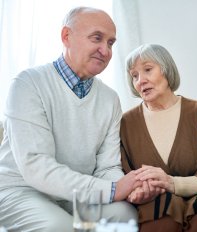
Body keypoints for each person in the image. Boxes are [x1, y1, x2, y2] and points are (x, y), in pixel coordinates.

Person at [0, 7, 139, 232]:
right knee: (61, 227)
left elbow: (107, 167)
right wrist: (113, 190)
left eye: (111, 43)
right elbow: (37, 167)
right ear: (66, 37)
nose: (105, 50)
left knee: (125, 215)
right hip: (21, 191)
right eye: (97, 38)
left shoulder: (110, 99)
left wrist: (126, 188)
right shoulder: (27, 84)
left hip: (75, 197)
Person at [120, 43, 197, 232]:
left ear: (166, 69)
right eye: (135, 76)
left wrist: (173, 183)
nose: (140, 81)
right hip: (154, 206)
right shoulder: (126, 123)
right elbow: (122, 174)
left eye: (148, 70)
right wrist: (135, 191)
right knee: (159, 213)